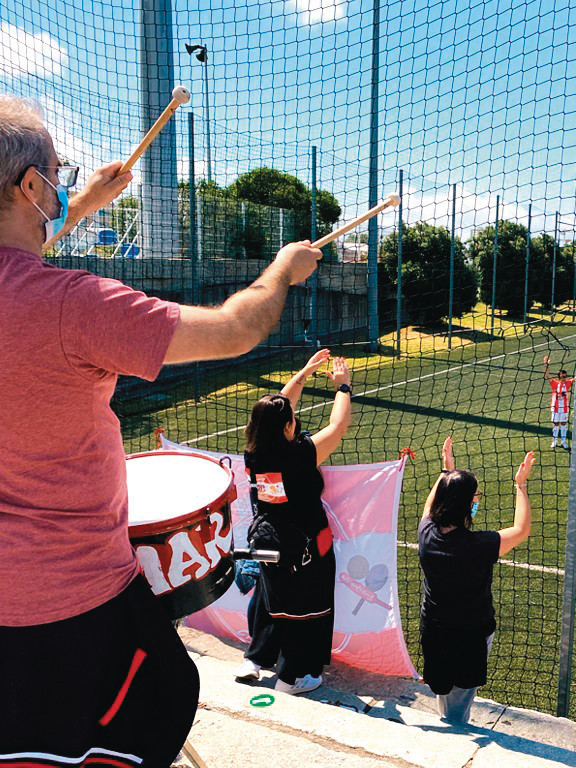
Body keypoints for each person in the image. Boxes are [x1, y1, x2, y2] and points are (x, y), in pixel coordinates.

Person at [0, 96, 322, 766]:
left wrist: (81, 205)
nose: (62, 187)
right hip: (78, 614)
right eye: (55, 177)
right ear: (30, 186)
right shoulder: (75, 308)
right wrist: (282, 271)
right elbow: (239, 328)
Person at [236, 350, 352, 695]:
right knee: (309, 611)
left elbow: (274, 412)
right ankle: (293, 679)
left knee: (275, 603)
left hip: (270, 543)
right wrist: (343, 388)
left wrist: (302, 373)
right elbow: (337, 426)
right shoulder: (298, 454)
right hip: (307, 546)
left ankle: (257, 661)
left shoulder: (254, 452)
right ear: (288, 426)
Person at [418, 437, 535, 725]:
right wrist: (520, 486)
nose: (477, 499)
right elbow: (521, 529)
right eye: (475, 496)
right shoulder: (480, 545)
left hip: (434, 628)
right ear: (466, 506)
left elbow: (428, 507)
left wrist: (446, 474)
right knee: (458, 707)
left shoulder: (426, 534)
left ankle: (446, 719)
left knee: (442, 687)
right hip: (470, 634)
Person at [543, 354, 574, 449]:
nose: (564, 378)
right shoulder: (554, 383)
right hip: (555, 407)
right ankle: (554, 441)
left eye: (565, 376)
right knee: (556, 424)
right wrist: (546, 366)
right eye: (562, 377)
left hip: (564, 408)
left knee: (564, 424)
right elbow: (547, 376)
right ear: (559, 377)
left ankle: (564, 442)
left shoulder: (568, 383)